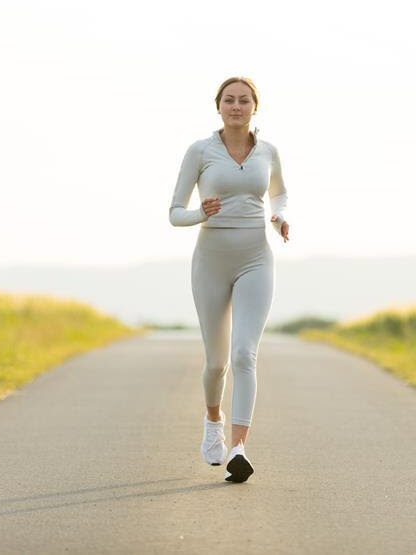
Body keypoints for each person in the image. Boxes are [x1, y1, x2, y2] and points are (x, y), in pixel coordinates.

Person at [168, 76, 290, 483]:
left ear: (256, 107)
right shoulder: (200, 151)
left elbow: (280, 194)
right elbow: (174, 212)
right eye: (229, 100)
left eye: (243, 101)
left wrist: (280, 215)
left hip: (257, 257)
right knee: (217, 362)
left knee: (244, 354)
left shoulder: (268, 152)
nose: (236, 106)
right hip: (211, 260)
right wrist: (200, 213)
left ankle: (238, 447)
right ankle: (212, 422)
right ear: (218, 106)